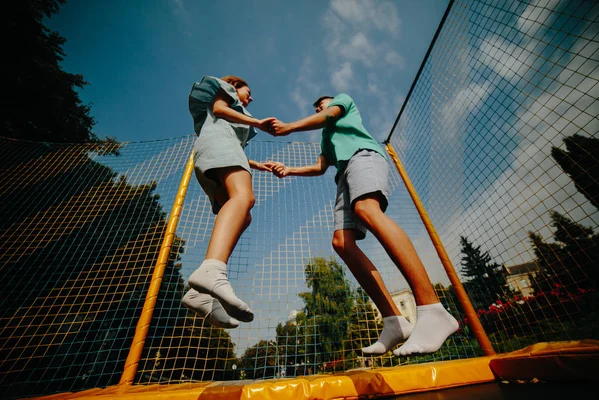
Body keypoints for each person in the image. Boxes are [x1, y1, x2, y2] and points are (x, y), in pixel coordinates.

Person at [265, 94, 458, 356]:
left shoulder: (342, 104)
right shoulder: (326, 138)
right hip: (343, 175)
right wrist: (289, 170)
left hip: (364, 158)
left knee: (367, 209)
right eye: (317, 106)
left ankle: (432, 309)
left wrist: (288, 127)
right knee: (342, 242)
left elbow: (329, 114)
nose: (320, 107)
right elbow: (320, 167)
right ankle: (394, 321)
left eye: (323, 103)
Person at [184, 75, 275, 329]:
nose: (251, 96)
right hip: (219, 149)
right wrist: (257, 121)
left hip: (216, 152)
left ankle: (200, 294)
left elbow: (234, 144)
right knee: (244, 197)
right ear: (236, 85)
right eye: (249, 90)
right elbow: (219, 109)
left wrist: (258, 165)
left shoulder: (236, 117)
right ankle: (212, 271)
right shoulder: (227, 93)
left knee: (242, 214)